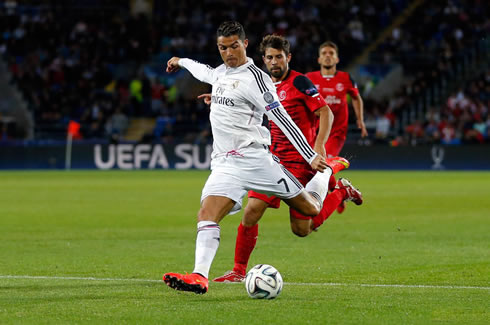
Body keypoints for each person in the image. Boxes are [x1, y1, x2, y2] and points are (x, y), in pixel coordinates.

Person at [163, 21, 349, 294]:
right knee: (207, 214)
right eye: (223, 48)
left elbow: (282, 119)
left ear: (245, 44)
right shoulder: (221, 73)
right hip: (225, 164)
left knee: (309, 210)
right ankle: (199, 276)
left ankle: (326, 173)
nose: (229, 53)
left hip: (257, 161)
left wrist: (311, 156)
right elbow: (204, 71)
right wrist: (180, 61)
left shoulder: (257, 79)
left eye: (234, 46)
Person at [213, 35, 363, 283]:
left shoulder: (301, 82)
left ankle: (340, 191)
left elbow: (325, 112)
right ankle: (239, 271)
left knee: (301, 230)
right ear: (263, 60)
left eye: (279, 57)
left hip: (300, 163)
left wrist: (318, 146)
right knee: (251, 212)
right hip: (271, 162)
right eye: (270, 57)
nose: (274, 62)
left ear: (288, 58)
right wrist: (218, 101)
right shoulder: (261, 84)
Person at [306, 41, 368, 213]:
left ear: (337, 58)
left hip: (336, 132)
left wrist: (360, 120)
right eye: (324, 52)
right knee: (317, 167)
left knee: (323, 166)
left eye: (331, 53)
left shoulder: (345, 78)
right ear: (319, 58)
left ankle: (327, 203)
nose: (327, 55)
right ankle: (339, 190)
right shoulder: (309, 78)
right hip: (314, 132)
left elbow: (356, 98)